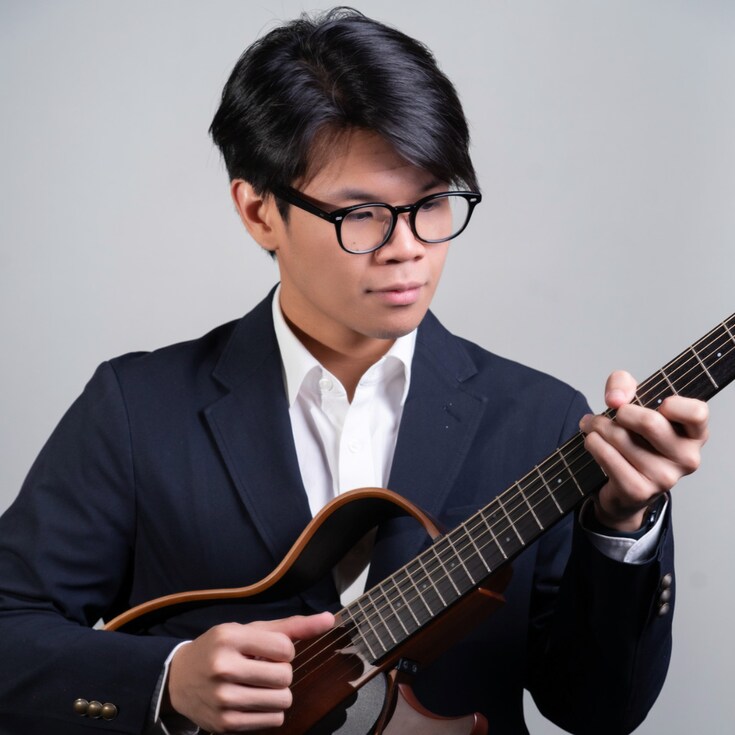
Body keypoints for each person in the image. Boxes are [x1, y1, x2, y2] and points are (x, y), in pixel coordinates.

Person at [0, 8, 709, 735]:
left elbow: (600, 711)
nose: (408, 247)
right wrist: (169, 678)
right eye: (362, 213)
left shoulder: (541, 418)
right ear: (258, 211)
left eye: (432, 202)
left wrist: (622, 525)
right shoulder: (136, 409)